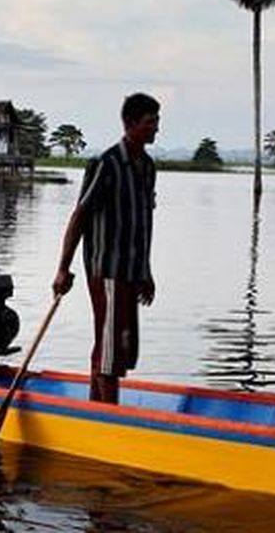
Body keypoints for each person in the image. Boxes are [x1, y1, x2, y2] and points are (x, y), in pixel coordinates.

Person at [53, 92, 160, 403]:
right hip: (107, 269)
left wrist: (146, 271)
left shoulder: (148, 167)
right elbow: (80, 216)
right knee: (111, 349)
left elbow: (143, 224)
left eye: (156, 122)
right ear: (130, 125)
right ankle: (109, 417)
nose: (155, 129)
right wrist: (63, 267)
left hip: (131, 270)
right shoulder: (108, 164)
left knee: (120, 346)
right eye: (150, 123)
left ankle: (94, 407)